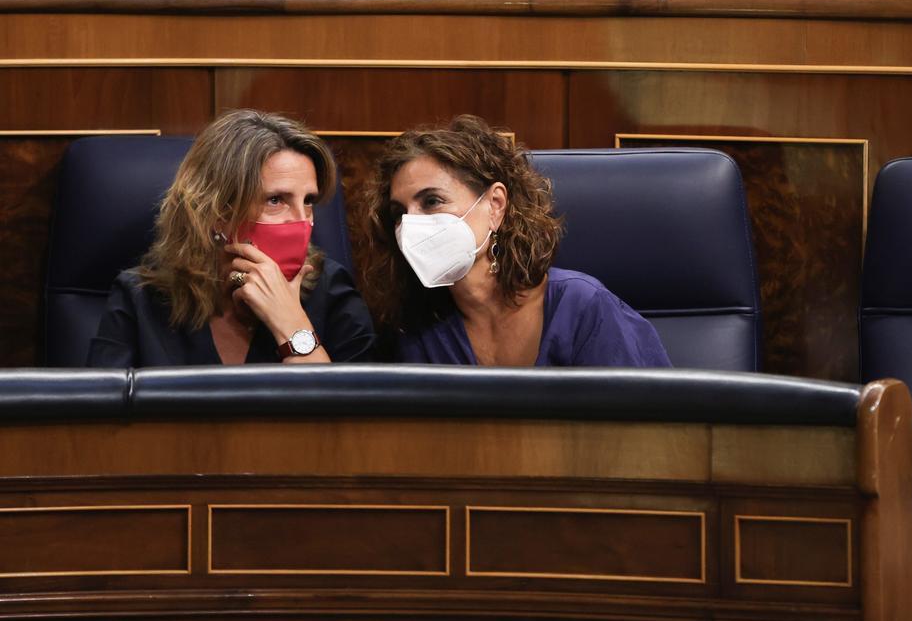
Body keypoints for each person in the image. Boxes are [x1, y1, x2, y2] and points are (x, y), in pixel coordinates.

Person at [363, 115, 671, 367]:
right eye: (399, 212)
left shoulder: (584, 308)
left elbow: (658, 426)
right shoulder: (413, 330)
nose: (412, 223)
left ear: (495, 205)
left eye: (432, 201)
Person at [87, 110, 374, 367]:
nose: (303, 220)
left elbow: (354, 422)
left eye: (309, 200)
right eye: (275, 200)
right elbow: (98, 420)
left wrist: (291, 324)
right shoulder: (140, 298)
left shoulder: (333, 291)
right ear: (215, 210)